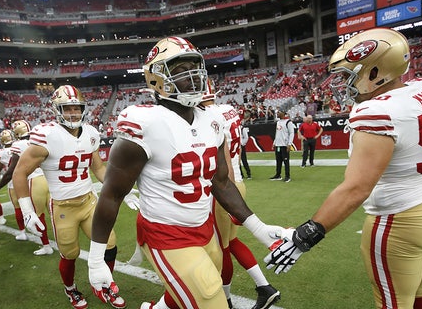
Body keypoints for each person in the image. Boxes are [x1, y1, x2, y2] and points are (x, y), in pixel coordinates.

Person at [87, 36, 285, 309]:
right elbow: (111, 195)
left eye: (195, 67)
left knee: (186, 291)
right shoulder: (145, 123)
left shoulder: (213, 120)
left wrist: (258, 227)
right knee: (211, 300)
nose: (193, 77)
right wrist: (96, 260)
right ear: (157, 79)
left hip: (203, 228)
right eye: (180, 70)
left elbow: (221, 182)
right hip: (164, 234)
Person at [265, 28, 422, 309]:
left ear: (376, 71)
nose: (345, 84)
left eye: (349, 75)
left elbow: (356, 188)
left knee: (394, 303)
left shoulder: (377, 111)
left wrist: (306, 235)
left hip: (400, 222)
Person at [12, 85, 128, 309]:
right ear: (58, 110)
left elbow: (99, 168)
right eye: (67, 109)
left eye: (77, 108)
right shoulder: (46, 135)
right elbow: (19, 172)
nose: (73, 113)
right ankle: (71, 289)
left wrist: (120, 188)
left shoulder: (91, 133)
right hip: (63, 207)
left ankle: (104, 283)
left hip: (89, 200)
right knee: (70, 254)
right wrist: (27, 211)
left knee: (110, 244)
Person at [200, 82, 281, 309]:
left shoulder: (206, 116)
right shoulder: (228, 109)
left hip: (224, 187)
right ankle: (264, 287)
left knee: (222, 248)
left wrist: (229, 193)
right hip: (235, 183)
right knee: (231, 242)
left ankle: (225, 300)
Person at [0, 120, 54, 255]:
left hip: (33, 180)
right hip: (47, 178)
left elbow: (13, 170)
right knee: (53, 213)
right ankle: (62, 242)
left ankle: (47, 246)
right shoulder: (38, 140)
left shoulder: (18, 144)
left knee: (37, 215)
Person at [270, 110, 295, 182]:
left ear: (283, 113)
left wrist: (289, 144)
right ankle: (278, 175)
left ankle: (287, 176)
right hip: (278, 145)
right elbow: (277, 133)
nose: (277, 113)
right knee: (278, 161)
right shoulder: (278, 122)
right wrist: (274, 143)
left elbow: (292, 133)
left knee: (286, 161)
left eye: (279, 112)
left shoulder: (288, 122)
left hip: (284, 145)